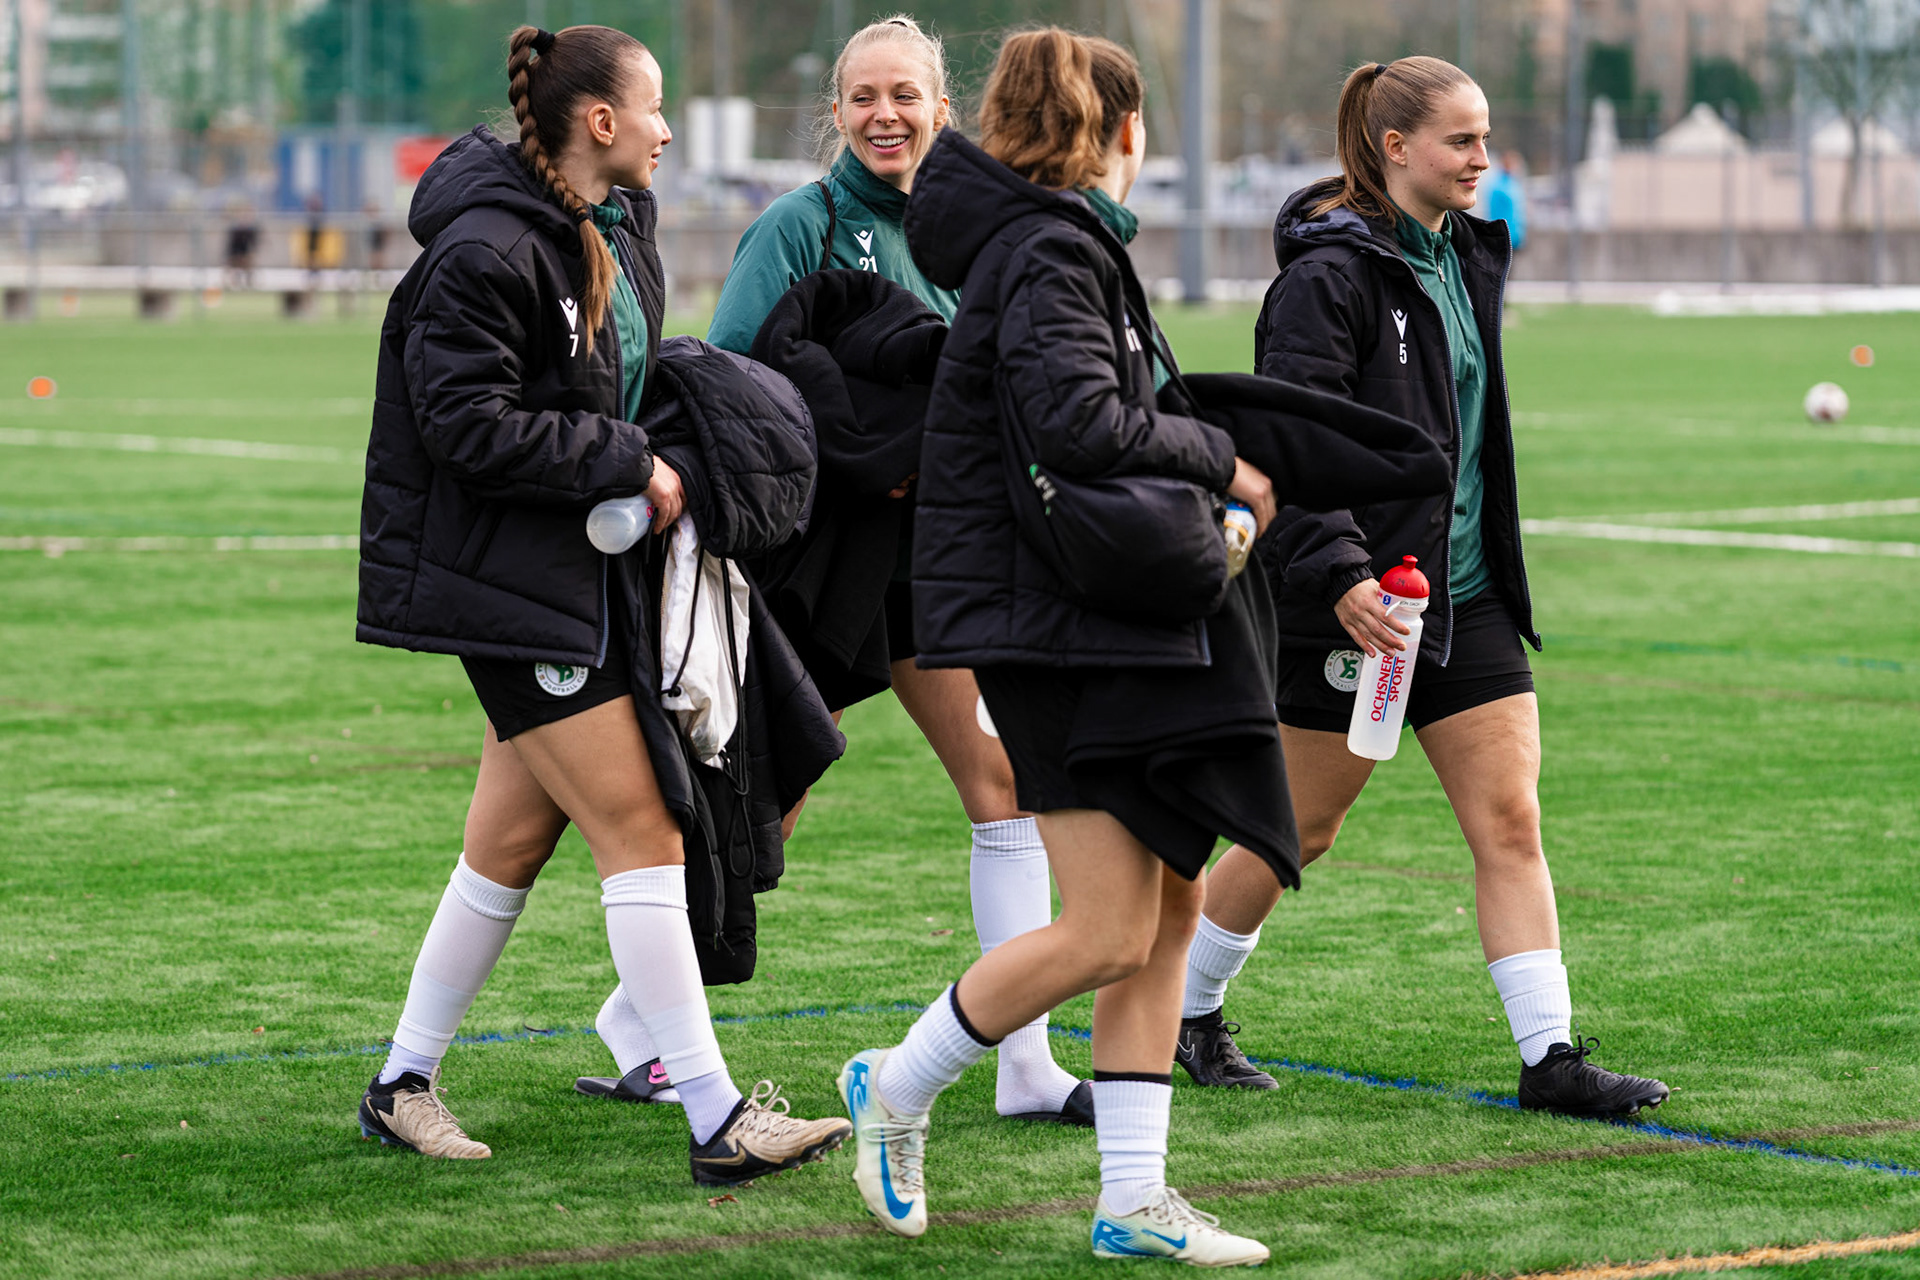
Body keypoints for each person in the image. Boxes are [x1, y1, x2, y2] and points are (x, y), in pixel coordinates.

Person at [352, 23, 850, 1184]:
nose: (671, 130)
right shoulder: (484, 250)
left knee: (509, 845)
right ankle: (719, 1117)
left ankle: (398, 1082)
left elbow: (614, 378)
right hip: (508, 582)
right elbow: (463, 424)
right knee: (646, 829)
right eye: (656, 108)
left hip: (576, 573)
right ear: (600, 123)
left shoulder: (617, 223)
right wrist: (625, 460)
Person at [581, 14, 1091, 1130]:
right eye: (863, 97)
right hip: (821, 556)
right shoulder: (798, 226)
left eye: (905, 94)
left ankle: (1027, 1064)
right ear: (836, 113)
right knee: (775, 787)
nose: (885, 115)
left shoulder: (977, 228)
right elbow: (726, 391)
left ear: (943, 106)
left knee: (1001, 786)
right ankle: (640, 1022)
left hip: (944, 558)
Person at [838, 30, 1294, 1266]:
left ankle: (1134, 1197)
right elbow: (1084, 424)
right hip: (1056, 632)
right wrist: (1223, 461)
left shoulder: (1051, 242)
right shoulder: (1047, 246)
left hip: (1100, 622)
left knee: (1173, 901)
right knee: (1104, 925)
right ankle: (898, 1079)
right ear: (1117, 134)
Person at [1176, 56, 1669, 1120]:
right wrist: (1341, 570)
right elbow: (1288, 441)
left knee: (1510, 819)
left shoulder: (1467, 253)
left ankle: (1552, 1058)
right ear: (1395, 148)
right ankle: (1186, 1007)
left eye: (1486, 137)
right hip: (1359, 599)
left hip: (1468, 593)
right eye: (1462, 141)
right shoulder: (1326, 277)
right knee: (1297, 829)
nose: (1483, 160)